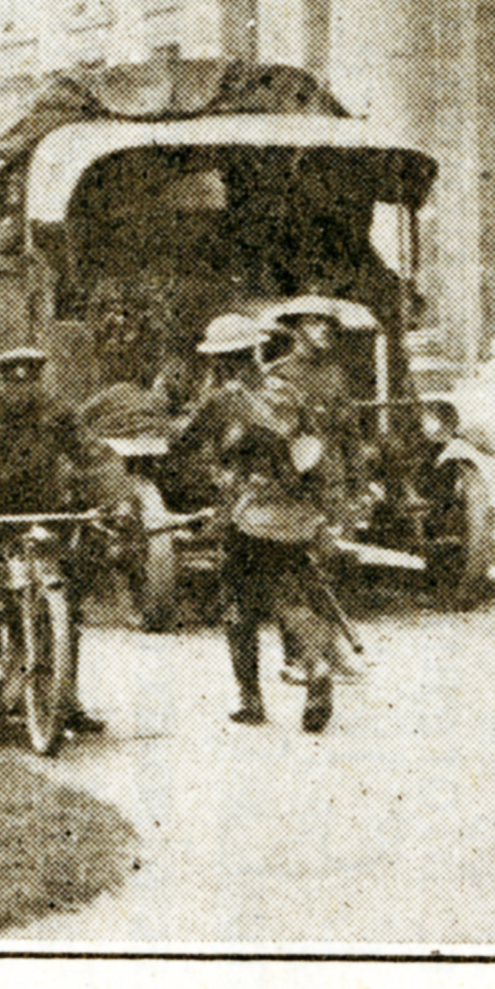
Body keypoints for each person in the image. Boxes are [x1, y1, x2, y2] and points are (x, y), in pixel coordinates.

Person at [0, 344, 136, 741]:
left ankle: (64, 699)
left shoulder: (56, 412)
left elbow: (94, 455)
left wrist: (117, 497)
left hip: (39, 516)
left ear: (40, 380)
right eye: (11, 379)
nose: (22, 388)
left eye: (31, 378)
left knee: (66, 604)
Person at [195, 314, 350, 733]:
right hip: (294, 514)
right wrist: (326, 513)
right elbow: (316, 451)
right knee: (291, 598)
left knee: (238, 606)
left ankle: (250, 701)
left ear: (221, 361)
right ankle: (317, 668)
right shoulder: (288, 392)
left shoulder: (220, 399)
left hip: (247, 516)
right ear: (256, 351)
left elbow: (186, 446)